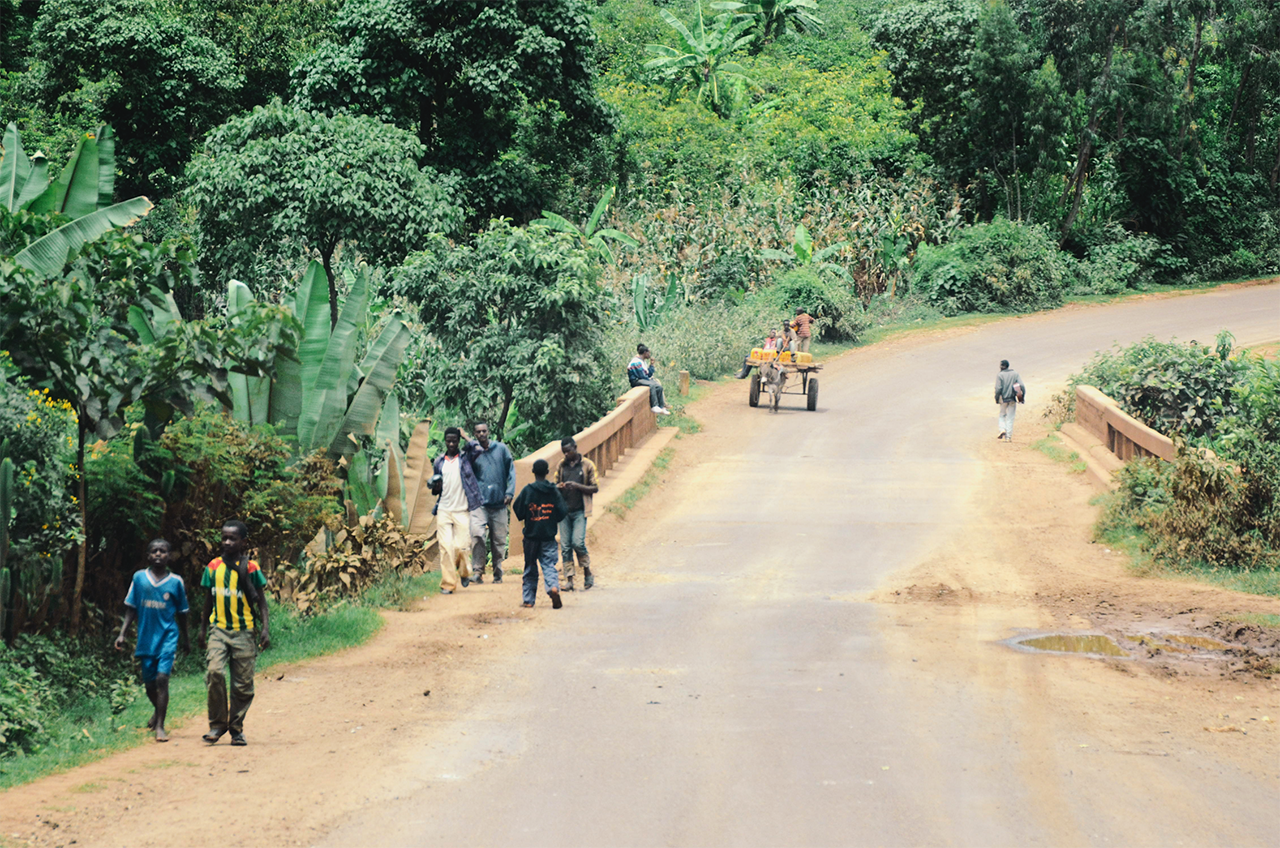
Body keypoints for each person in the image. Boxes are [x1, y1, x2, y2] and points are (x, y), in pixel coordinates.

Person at [200, 520, 269, 746]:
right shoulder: (212, 567)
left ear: (243, 542)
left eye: (233, 538)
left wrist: (265, 629)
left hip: (244, 632)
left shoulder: (251, 568)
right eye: (224, 538)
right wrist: (202, 629)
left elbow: (262, 602)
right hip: (218, 629)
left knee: (243, 684)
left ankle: (236, 728)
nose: (227, 542)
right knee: (215, 673)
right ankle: (217, 725)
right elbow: (208, 600)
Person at [115, 538, 189, 743]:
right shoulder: (139, 578)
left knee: (162, 679)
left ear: (169, 555)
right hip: (146, 639)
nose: (158, 554)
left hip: (168, 636)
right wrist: (122, 633)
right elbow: (131, 608)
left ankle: (160, 726)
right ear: (148, 556)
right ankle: (158, 710)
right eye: (154, 551)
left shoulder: (176, 582)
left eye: (163, 551)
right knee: (149, 684)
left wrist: (186, 639)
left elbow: (182, 613)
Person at [431, 427, 483, 594]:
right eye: (449, 441)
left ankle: (464, 572)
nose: (452, 444)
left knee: (461, 547)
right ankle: (448, 584)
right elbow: (435, 490)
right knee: (445, 548)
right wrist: (435, 486)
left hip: (462, 510)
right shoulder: (439, 462)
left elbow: (478, 448)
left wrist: (465, 435)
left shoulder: (466, 458)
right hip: (444, 509)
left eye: (455, 440)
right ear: (445, 441)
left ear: (458, 441)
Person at [512, 458, 568, 609]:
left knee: (530, 567)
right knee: (549, 564)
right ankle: (553, 587)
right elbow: (563, 511)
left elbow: (517, 508)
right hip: (548, 536)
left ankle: (529, 600)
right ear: (547, 472)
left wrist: (528, 516)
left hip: (531, 537)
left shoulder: (528, 490)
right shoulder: (554, 491)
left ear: (533, 473)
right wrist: (551, 519)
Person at [466, 422, 515, 584]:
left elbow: (511, 472)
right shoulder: (472, 453)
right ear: (475, 434)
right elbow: (465, 473)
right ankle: (478, 572)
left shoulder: (501, 450)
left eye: (484, 431)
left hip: (499, 503)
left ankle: (498, 572)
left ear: (489, 432)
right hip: (479, 503)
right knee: (477, 534)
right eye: (478, 432)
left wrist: (509, 492)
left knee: (499, 540)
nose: (481, 434)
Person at [555, 437, 600, 592]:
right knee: (566, 546)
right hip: (564, 511)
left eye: (569, 450)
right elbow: (554, 485)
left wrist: (578, 486)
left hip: (580, 510)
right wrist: (560, 486)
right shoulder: (561, 466)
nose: (567, 454)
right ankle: (569, 580)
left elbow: (594, 487)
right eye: (564, 452)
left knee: (578, 542)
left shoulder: (587, 465)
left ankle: (587, 571)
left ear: (575, 447)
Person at [628, 344, 671, 414]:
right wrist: (650, 380)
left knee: (659, 386)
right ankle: (654, 406)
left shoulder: (643, 362)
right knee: (652, 385)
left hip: (642, 379)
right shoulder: (636, 362)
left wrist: (652, 365)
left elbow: (648, 374)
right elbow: (642, 376)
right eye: (648, 353)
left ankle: (661, 406)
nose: (649, 355)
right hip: (636, 380)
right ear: (645, 352)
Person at [995, 359, 1026, 441]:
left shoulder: (1000, 375)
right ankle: (1008, 437)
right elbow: (1022, 385)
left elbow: (998, 388)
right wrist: (1022, 397)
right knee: (1010, 417)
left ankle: (1002, 429)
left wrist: (997, 398)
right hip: (1012, 399)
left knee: (1002, 415)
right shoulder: (1015, 374)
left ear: (1002, 367)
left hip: (1003, 399)